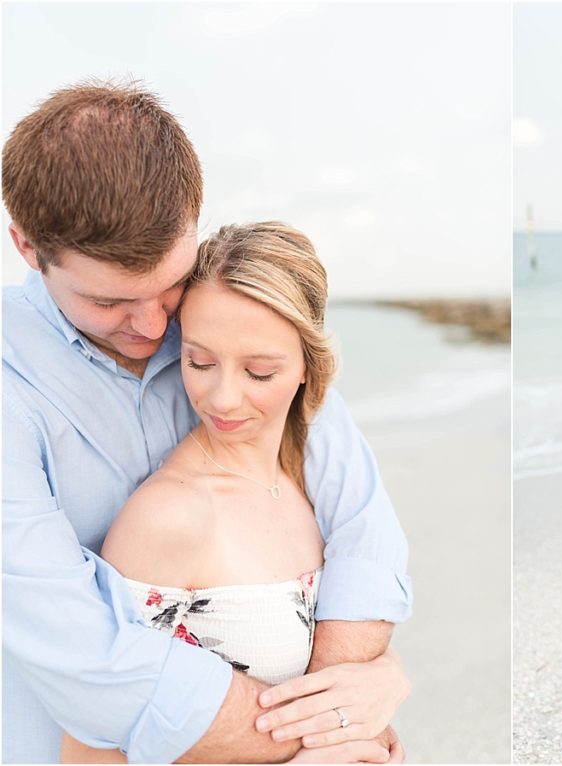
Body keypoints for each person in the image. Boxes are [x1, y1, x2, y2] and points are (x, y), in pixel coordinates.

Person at [3, 81, 412, 763]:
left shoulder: (224, 325)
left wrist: (361, 689)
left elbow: (363, 529)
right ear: (25, 246)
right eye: (111, 300)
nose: (155, 324)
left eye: (170, 284)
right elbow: (91, 660)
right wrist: (322, 733)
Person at [61, 221, 404, 763]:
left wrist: (387, 674)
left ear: (306, 369)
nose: (222, 398)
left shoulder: (311, 487)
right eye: (198, 362)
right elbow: (90, 749)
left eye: (260, 372)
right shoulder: (171, 517)